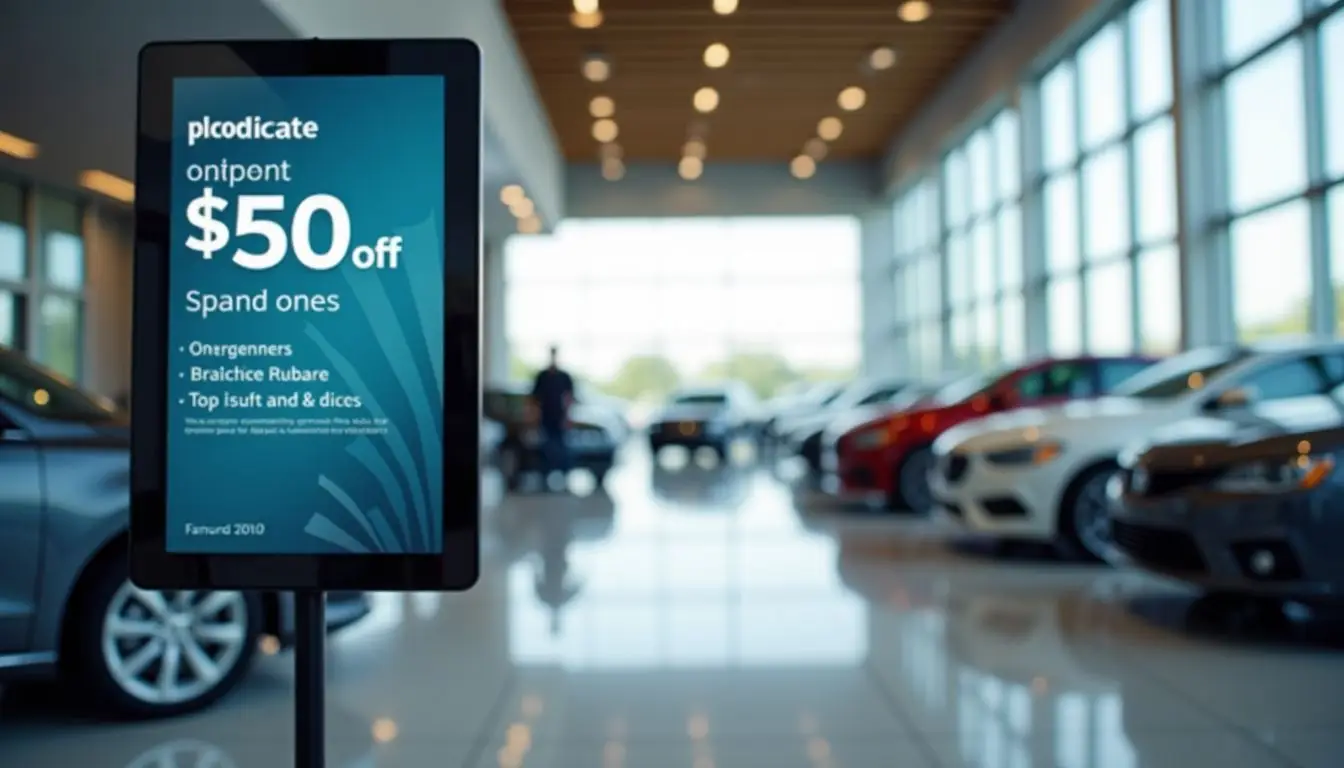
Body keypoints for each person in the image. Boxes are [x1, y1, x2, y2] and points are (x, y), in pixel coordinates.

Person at [530, 345, 575, 491]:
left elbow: (569, 398)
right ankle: (545, 474)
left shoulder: (564, 376)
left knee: (562, 446)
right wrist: (535, 417)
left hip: (559, 417)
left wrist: (567, 417)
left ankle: (563, 473)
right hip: (545, 417)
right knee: (546, 447)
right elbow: (535, 399)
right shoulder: (542, 376)